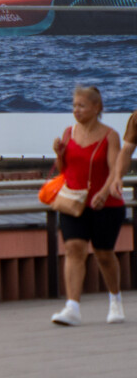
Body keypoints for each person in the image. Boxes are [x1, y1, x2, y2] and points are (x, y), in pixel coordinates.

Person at [49, 83, 125, 325]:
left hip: (106, 205)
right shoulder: (68, 133)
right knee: (74, 249)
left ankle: (115, 300)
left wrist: (104, 193)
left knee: (104, 254)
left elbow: (116, 170)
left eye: (81, 105)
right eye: (74, 106)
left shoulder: (110, 135)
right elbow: (64, 170)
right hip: (74, 202)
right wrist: (59, 153)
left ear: (97, 107)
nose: (76, 110)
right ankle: (72, 307)